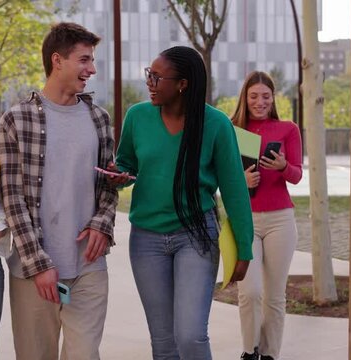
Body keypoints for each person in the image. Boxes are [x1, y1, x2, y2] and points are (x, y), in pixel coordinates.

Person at [108, 46, 254, 359]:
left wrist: (244, 246)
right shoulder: (137, 117)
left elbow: (234, 189)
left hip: (196, 234)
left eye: (157, 77)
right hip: (146, 238)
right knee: (163, 343)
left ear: (182, 83)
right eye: (149, 74)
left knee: (190, 336)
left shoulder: (215, 124)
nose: (150, 82)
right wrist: (119, 176)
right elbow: (126, 164)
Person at [0, 22, 118, 360]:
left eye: (92, 60)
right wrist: (39, 264)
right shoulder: (16, 120)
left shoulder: (99, 118)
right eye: (84, 60)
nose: (91, 69)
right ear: (57, 60)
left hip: (88, 267)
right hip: (34, 271)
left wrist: (102, 223)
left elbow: (108, 183)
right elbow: (13, 198)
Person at [231, 71, 303, 360]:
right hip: (246, 220)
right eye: (253, 96)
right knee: (250, 292)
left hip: (280, 221)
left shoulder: (288, 129)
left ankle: (270, 353)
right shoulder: (231, 129)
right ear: (245, 98)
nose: (259, 102)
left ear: (273, 98)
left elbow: (297, 176)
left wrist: (284, 166)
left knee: (274, 295)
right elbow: (218, 174)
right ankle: (250, 351)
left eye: (265, 96)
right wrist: (241, 180)